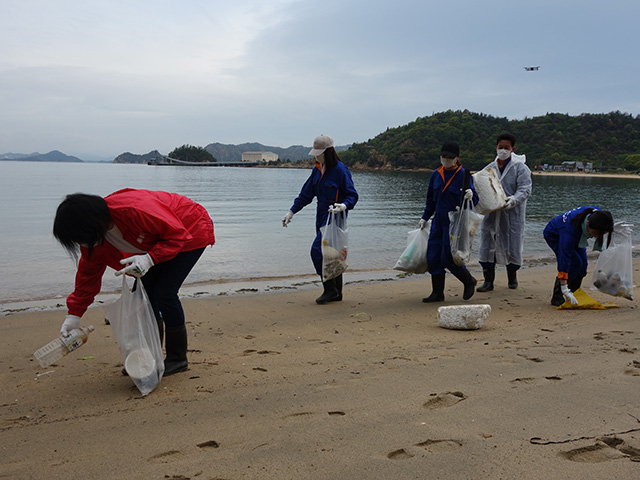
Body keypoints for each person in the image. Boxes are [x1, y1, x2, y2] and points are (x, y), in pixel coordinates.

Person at [53, 189, 215, 376]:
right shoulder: (93, 240)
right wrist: (74, 315)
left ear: (90, 224)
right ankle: (150, 357)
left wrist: (150, 259)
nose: (80, 243)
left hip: (190, 229)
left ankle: (177, 359)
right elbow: (87, 276)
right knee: (145, 296)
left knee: (164, 293)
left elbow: (177, 234)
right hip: (158, 242)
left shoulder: (135, 210)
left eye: (78, 237)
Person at [282, 134, 358, 304]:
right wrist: (291, 211)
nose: (316, 156)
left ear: (327, 152)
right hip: (321, 218)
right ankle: (337, 293)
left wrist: (344, 205)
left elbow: (352, 195)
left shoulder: (340, 170)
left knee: (317, 251)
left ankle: (330, 290)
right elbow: (306, 194)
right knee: (332, 256)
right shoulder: (317, 170)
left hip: (335, 220)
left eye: (319, 153)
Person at [419, 141, 479, 303]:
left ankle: (468, 280)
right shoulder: (436, 174)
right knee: (434, 256)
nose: (445, 159)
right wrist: (425, 217)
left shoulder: (464, 175)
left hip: (455, 223)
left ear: (457, 158)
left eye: (449, 157)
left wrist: (470, 195)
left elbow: (475, 199)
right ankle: (437, 293)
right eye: (443, 156)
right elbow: (430, 200)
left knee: (449, 257)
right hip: (438, 220)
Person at [476, 133, 532, 292]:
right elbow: (479, 187)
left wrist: (513, 200)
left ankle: (512, 277)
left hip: (512, 214)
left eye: (506, 148)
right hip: (491, 214)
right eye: (500, 147)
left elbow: (525, 189)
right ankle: (488, 281)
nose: (503, 150)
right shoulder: (489, 168)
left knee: (512, 246)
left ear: (513, 149)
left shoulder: (520, 168)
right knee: (487, 246)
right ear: (496, 147)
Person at [543, 206, 613, 306]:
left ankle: (575, 292)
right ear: (588, 224)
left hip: (578, 235)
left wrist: (616, 229)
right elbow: (564, 259)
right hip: (555, 235)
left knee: (583, 266)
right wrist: (564, 286)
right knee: (574, 264)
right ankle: (557, 296)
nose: (596, 236)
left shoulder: (598, 215)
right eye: (595, 233)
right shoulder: (569, 233)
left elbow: (605, 223)